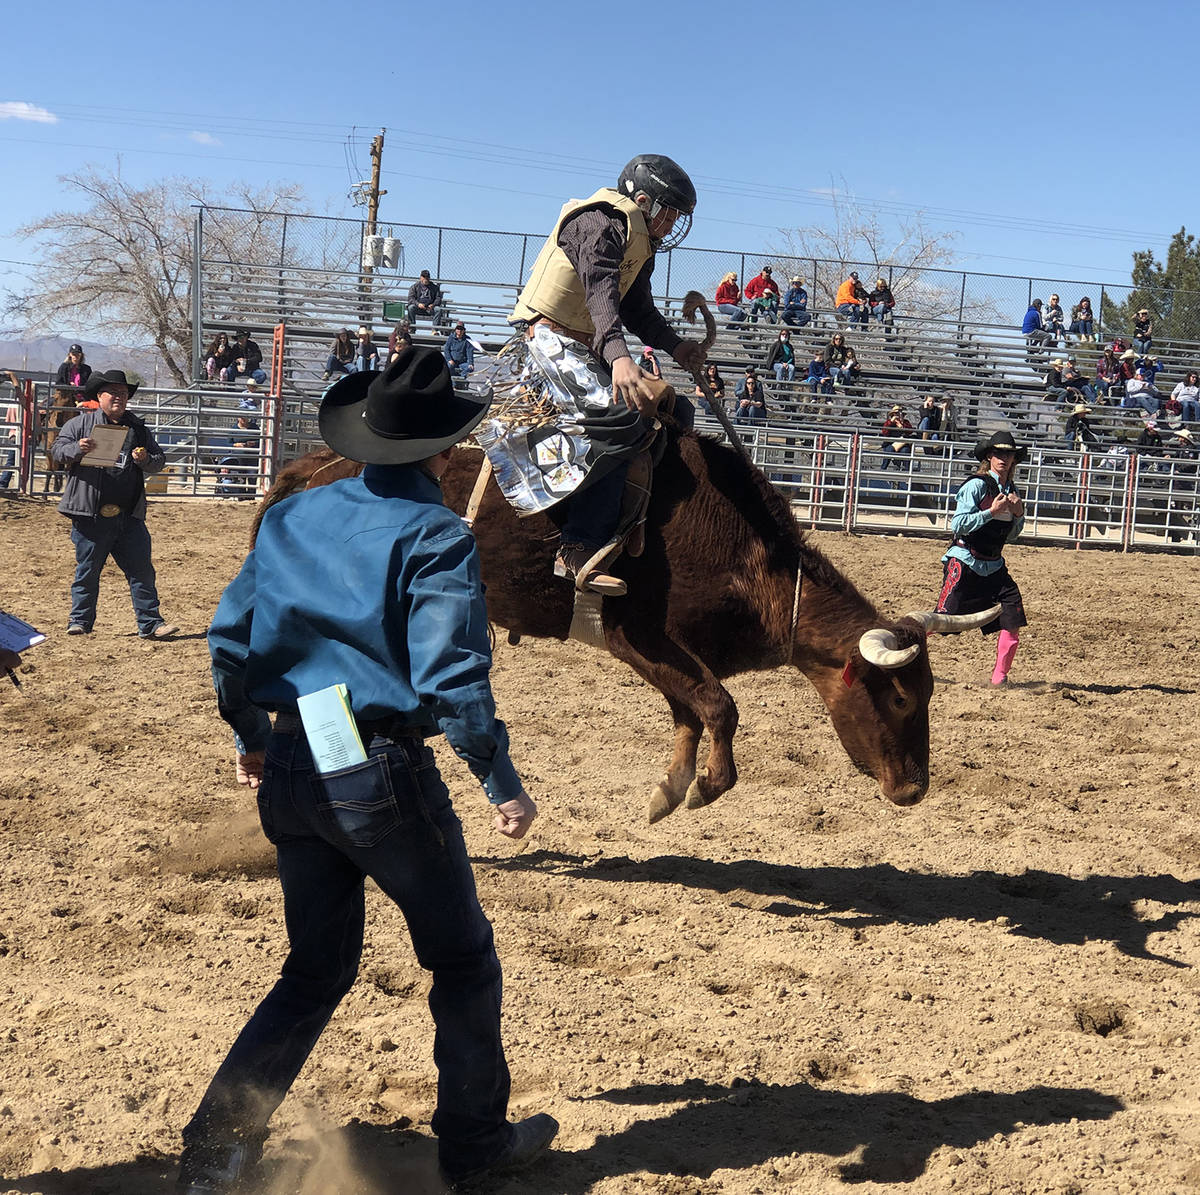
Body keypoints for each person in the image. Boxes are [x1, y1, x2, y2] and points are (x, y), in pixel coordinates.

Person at [179, 346, 556, 1194]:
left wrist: (249, 732)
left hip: (292, 755)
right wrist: (501, 780)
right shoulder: (435, 535)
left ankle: (216, 1150)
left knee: (313, 969)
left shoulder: (290, 518)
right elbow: (452, 676)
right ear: (445, 450)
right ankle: (474, 1147)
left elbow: (227, 640)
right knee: (461, 960)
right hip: (377, 767)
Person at [501, 152, 704, 595]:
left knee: (679, 412)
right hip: (545, 339)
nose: (672, 224)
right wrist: (619, 356)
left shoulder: (639, 243)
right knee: (622, 418)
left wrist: (677, 346)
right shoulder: (598, 223)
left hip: (588, 343)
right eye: (669, 212)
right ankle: (577, 547)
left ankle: (638, 522)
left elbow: (637, 310)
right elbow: (600, 297)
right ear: (645, 201)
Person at [47, 369, 178, 639]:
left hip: (129, 514)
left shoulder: (138, 428)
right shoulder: (79, 425)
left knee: (142, 571)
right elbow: (56, 451)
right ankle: (80, 620)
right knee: (88, 570)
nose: (119, 397)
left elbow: (159, 460)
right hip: (90, 513)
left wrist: (145, 461)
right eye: (113, 393)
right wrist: (77, 449)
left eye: (123, 393)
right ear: (99, 396)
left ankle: (151, 623)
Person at [936, 429, 1028, 686]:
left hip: (994, 565)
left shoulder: (1013, 491)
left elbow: (1011, 537)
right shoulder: (976, 485)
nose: (1004, 458)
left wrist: (1019, 514)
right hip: (965, 560)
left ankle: (1000, 677)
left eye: (1008, 454)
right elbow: (959, 525)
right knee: (943, 618)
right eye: (999, 453)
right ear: (990, 456)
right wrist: (991, 512)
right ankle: (901, 654)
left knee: (1012, 616)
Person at [880, 405, 913, 469]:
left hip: (903, 444)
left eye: (900, 414)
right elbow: (885, 432)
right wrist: (891, 422)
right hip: (890, 443)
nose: (898, 415)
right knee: (889, 450)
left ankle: (907, 471)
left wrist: (902, 426)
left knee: (905, 451)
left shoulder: (906, 422)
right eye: (896, 414)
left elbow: (910, 431)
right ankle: (883, 469)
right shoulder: (888, 423)